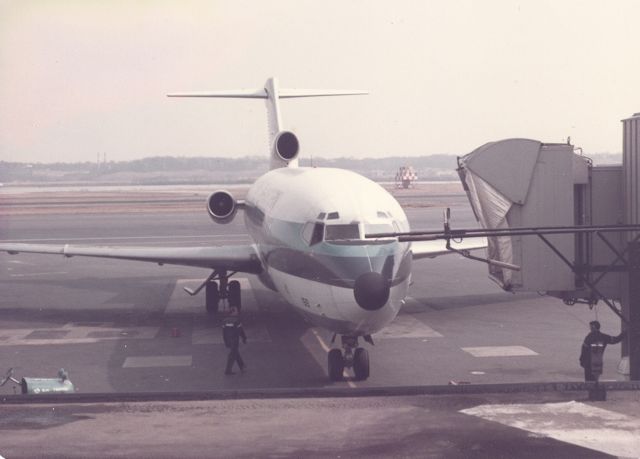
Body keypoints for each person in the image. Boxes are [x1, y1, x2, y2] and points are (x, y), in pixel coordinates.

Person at [222, 307, 247, 375]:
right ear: (233, 312)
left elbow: (223, 333)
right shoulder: (237, 321)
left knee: (234, 352)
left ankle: (242, 366)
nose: (237, 312)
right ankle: (228, 371)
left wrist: (225, 341)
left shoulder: (224, 321)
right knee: (232, 354)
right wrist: (244, 338)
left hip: (228, 340)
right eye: (236, 311)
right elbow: (241, 331)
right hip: (234, 340)